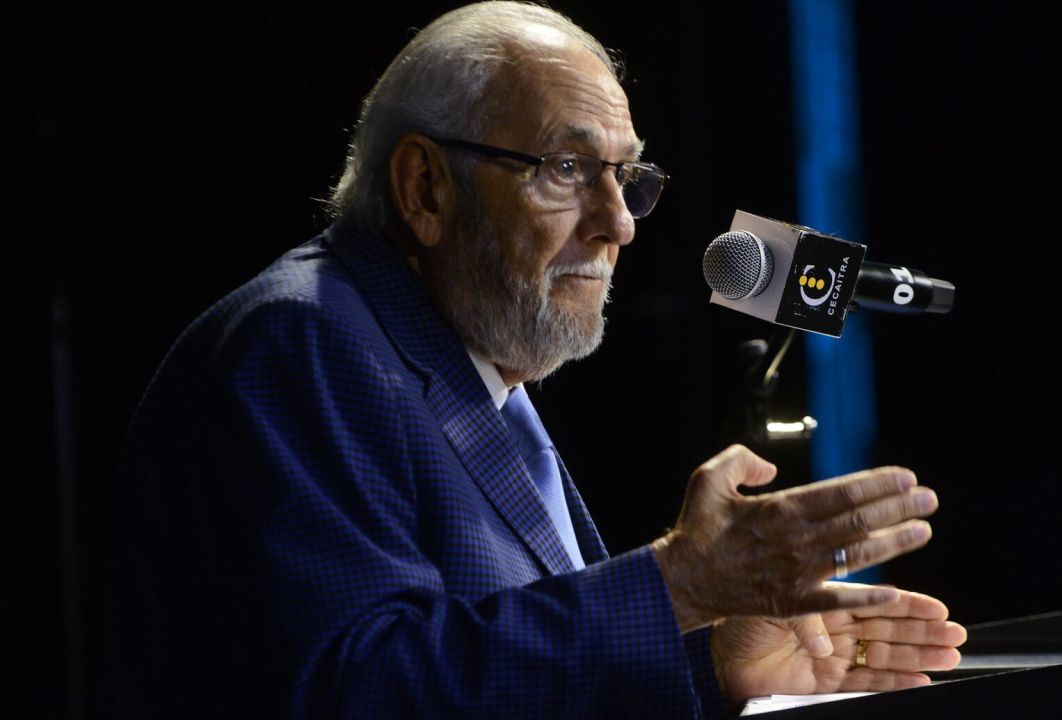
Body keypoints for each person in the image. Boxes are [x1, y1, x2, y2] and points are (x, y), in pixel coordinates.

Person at [104, 2, 965, 717]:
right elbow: (359, 688)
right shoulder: (304, 346)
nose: (618, 222)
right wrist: (676, 588)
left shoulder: (460, 359)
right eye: (565, 169)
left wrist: (705, 668)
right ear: (425, 188)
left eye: (626, 177)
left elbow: (500, 674)